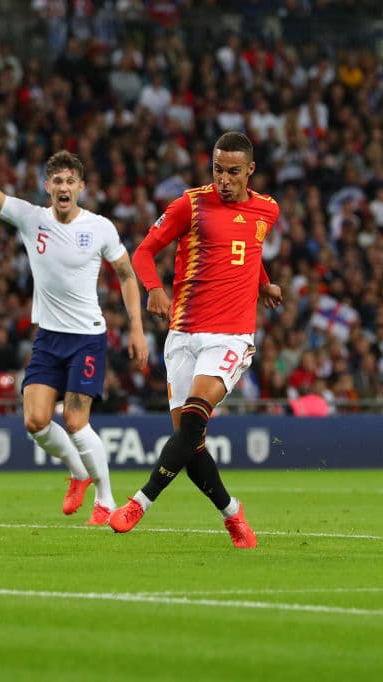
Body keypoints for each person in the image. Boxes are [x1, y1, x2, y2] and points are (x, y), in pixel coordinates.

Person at [0, 99, 148, 526]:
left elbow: (127, 275)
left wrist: (137, 331)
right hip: (49, 338)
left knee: (74, 420)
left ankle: (105, 502)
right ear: (47, 187)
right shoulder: (32, 219)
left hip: (88, 336)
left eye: (71, 180)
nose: (63, 186)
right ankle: (78, 472)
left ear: (82, 187)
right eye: (56, 180)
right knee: (34, 421)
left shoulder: (100, 227)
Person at [110, 131, 282, 549]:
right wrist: (153, 288)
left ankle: (139, 502)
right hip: (183, 333)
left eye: (233, 172)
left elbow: (249, 251)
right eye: (218, 170)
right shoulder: (190, 204)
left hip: (231, 336)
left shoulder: (267, 210)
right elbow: (142, 253)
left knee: (192, 421)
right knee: (190, 443)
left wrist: (262, 284)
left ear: (250, 171)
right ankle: (233, 514)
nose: (224, 179)